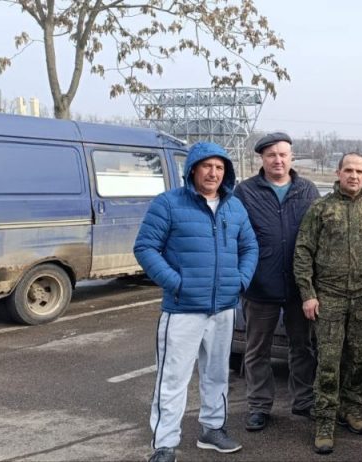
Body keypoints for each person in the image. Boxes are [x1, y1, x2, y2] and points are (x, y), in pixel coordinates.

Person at [134, 142, 258, 462]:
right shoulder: (169, 203)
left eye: (219, 167)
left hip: (223, 308)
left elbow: (250, 247)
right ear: (193, 169)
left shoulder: (234, 207)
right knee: (173, 378)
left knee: (217, 374)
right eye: (207, 166)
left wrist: (240, 281)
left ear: (226, 173)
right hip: (183, 309)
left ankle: (212, 430)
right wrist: (177, 284)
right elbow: (145, 248)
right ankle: (164, 445)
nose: (213, 173)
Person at [293, 152, 362, 455]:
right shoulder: (321, 208)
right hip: (329, 297)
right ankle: (325, 421)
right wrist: (308, 294)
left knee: (359, 359)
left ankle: (351, 409)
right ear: (338, 173)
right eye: (348, 170)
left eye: (359, 171)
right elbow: (303, 251)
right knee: (328, 362)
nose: (354, 175)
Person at [234, 132, 320, 431]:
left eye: (283, 154)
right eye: (272, 155)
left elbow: (320, 235)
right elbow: (235, 236)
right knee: (257, 350)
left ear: (291, 157)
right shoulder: (245, 192)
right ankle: (259, 406)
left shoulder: (307, 190)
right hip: (260, 285)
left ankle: (304, 401)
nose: (278, 160)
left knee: (302, 347)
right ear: (262, 158)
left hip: (299, 286)